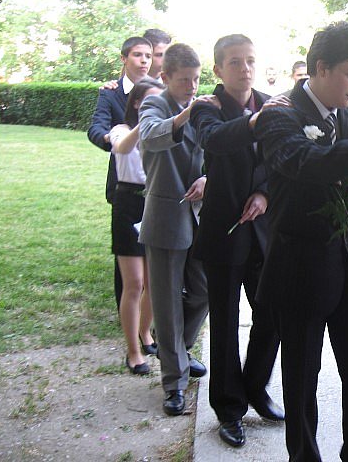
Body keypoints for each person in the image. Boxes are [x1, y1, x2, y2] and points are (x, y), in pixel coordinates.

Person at [253, 21, 348, 462]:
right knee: (301, 379)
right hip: (299, 268)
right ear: (321, 67)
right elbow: (303, 160)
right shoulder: (280, 114)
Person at [190, 34, 285, 449]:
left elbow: (279, 159)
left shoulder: (270, 103)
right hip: (223, 232)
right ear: (218, 69)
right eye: (234, 62)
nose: (244, 68)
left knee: (273, 314)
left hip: (264, 232)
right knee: (225, 324)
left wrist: (264, 192)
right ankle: (229, 408)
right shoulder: (206, 108)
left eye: (249, 60)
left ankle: (256, 387)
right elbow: (215, 139)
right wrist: (255, 122)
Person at [138, 43, 213, 416]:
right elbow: (150, 136)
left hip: (200, 217)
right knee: (167, 305)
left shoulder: (204, 106)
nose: (192, 87)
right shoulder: (154, 104)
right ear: (165, 77)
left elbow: (218, 154)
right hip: (166, 217)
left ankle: (179, 350)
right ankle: (174, 383)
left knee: (204, 290)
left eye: (196, 79)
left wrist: (208, 178)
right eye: (185, 80)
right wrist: (187, 115)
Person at [88, 36, 154, 311]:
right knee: (127, 259)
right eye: (138, 55)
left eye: (148, 56)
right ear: (124, 59)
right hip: (124, 183)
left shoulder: (158, 90)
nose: (144, 61)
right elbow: (96, 128)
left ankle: (147, 321)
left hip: (156, 185)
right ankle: (126, 315)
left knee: (152, 265)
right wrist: (113, 139)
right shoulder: (110, 92)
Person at [108, 76, 164, 373]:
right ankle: (132, 351)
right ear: (137, 103)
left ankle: (146, 333)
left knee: (155, 282)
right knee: (134, 283)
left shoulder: (162, 132)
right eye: (150, 101)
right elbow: (121, 148)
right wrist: (146, 122)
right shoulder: (122, 129)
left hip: (154, 203)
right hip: (128, 204)